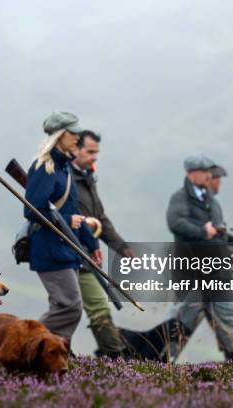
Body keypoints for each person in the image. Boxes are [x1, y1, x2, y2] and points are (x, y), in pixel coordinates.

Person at [165, 154, 233, 363]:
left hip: (217, 271)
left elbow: (219, 234)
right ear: (191, 174)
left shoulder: (213, 203)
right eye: (205, 171)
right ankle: (159, 361)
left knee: (230, 316)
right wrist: (201, 231)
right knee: (182, 319)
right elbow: (175, 223)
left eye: (210, 171)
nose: (210, 175)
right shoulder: (179, 198)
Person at [24, 112, 100, 346]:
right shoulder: (43, 167)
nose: (77, 136)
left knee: (65, 306)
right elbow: (32, 211)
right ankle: (23, 343)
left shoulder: (63, 168)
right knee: (70, 307)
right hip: (50, 249)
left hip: (66, 248)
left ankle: (50, 354)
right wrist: (68, 219)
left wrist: (92, 243)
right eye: (73, 132)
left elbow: (72, 211)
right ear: (60, 135)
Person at [70, 130, 130, 357]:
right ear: (75, 149)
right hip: (69, 255)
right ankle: (116, 360)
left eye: (97, 152)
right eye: (90, 151)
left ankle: (114, 359)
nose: (95, 156)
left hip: (85, 256)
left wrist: (122, 247)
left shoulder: (86, 177)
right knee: (71, 310)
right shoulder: (64, 177)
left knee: (88, 310)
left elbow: (100, 219)